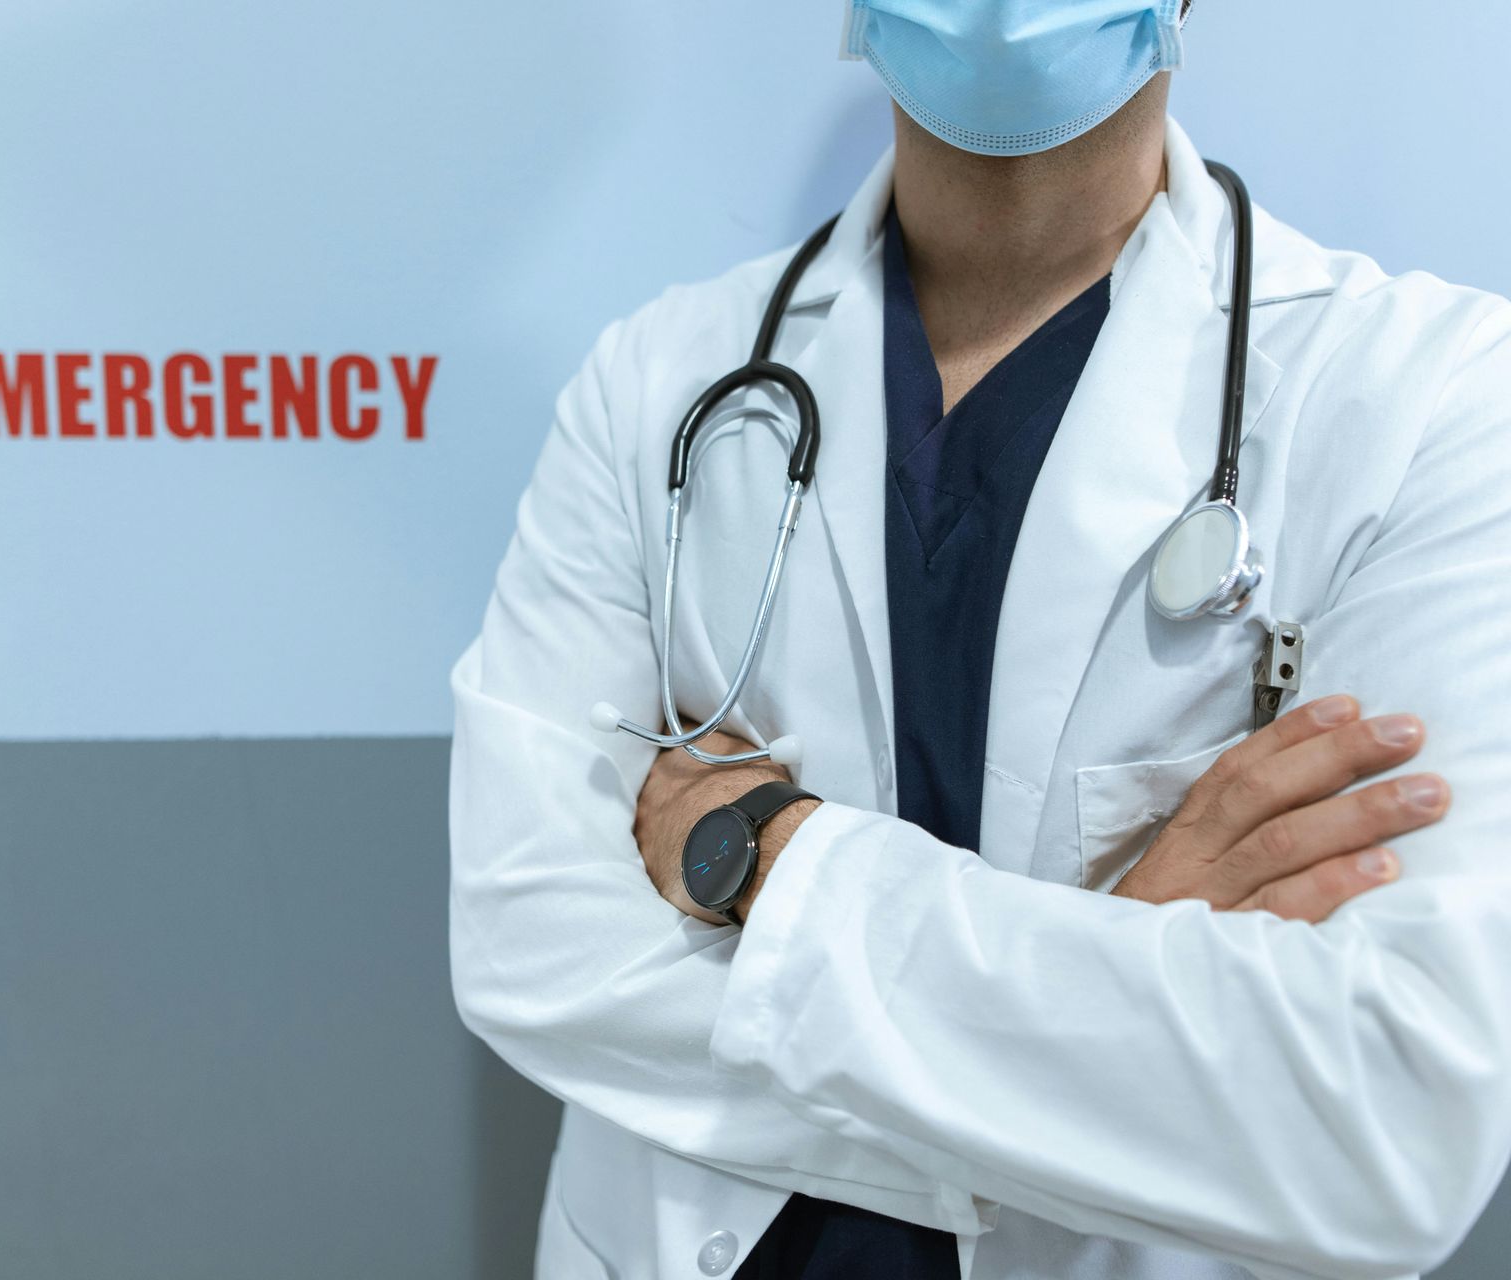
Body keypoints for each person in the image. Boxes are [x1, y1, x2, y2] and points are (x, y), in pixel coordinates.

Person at [449, 3, 1511, 1277]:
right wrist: (1107, 1000)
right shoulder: (654, 381)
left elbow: (1384, 1125)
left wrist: (768, 858)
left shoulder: (1434, 399)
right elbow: (531, 946)